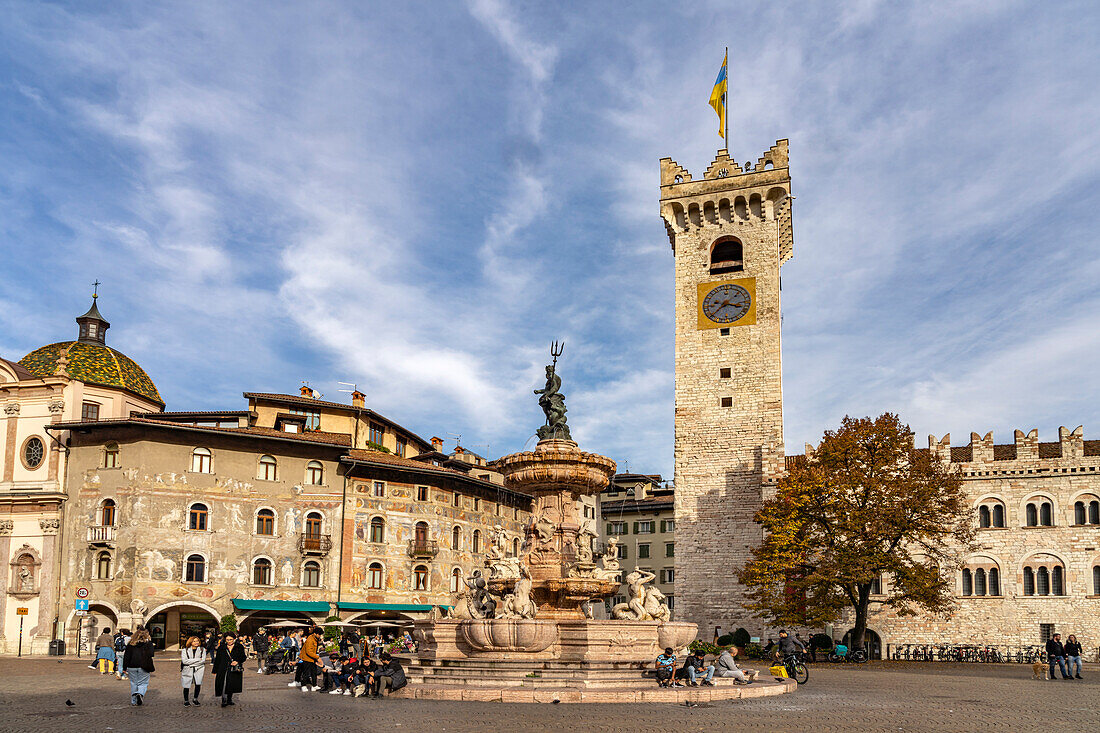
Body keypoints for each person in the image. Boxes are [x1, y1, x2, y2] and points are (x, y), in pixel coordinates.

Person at [122, 626, 156, 706]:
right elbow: (151, 654)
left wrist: (124, 668)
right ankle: (140, 693)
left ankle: (134, 701)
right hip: (144, 665)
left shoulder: (130, 644)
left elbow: (126, 656)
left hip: (131, 666)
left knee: (133, 683)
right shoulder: (148, 643)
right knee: (143, 683)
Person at [213, 631, 247, 707]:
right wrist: (215, 670)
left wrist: (237, 661)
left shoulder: (239, 646)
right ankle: (224, 700)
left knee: (231, 683)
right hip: (223, 667)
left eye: (231, 639)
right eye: (227, 640)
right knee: (223, 683)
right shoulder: (221, 647)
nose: (229, 641)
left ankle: (229, 699)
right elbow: (217, 659)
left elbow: (243, 657)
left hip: (233, 668)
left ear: (234, 639)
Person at [181, 636, 206, 706]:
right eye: (194, 641)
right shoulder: (185, 650)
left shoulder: (202, 649)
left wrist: (191, 662)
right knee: (186, 685)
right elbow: (185, 661)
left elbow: (203, 661)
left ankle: (195, 699)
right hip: (187, 669)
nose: (196, 642)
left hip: (199, 669)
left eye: (197, 641)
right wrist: (198, 659)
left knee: (198, 684)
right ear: (190, 642)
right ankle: (186, 700)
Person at [297, 628, 324, 692]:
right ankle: (303, 685)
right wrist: (317, 657)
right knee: (306, 673)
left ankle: (314, 685)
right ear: (315, 633)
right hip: (307, 658)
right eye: (319, 634)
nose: (319, 636)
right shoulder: (310, 639)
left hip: (312, 658)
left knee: (314, 672)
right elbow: (309, 651)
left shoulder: (315, 639)